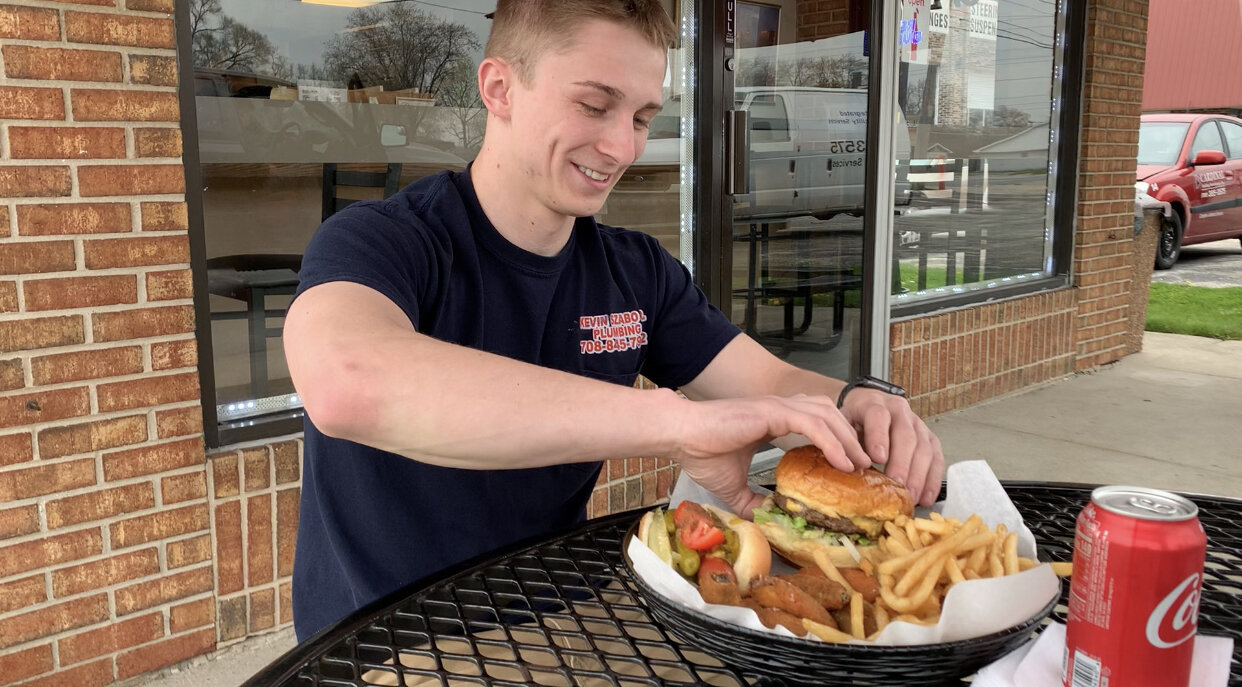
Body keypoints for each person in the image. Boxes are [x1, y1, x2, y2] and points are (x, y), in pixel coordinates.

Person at [284, 0, 943, 641]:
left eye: (641, 116)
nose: (621, 145)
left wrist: (859, 402)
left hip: (559, 613)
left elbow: (765, 379)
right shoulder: (384, 241)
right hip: (384, 639)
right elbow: (347, 381)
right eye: (594, 105)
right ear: (499, 88)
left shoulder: (636, 271)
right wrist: (676, 424)